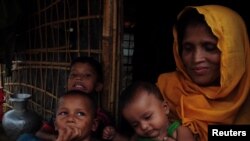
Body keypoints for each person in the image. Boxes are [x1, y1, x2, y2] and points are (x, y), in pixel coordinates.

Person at [157, 5, 250, 141]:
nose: (196, 59)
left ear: (235, 50)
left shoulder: (246, 96)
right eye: (188, 48)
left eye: (210, 48)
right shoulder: (162, 92)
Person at [35, 56, 113, 140]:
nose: (78, 78)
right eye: (74, 74)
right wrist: (58, 138)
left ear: (98, 85)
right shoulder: (59, 114)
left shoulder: (102, 116)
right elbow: (39, 133)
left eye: (87, 75)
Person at [103, 81, 195, 141]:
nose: (143, 126)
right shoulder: (138, 137)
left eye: (147, 117)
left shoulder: (179, 130)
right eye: (135, 125)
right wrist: (115, 136)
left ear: (165, 108)